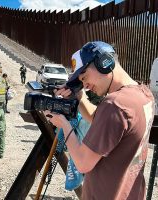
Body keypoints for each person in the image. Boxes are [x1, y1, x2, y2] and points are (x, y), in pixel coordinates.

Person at [45, 41, 155, 200]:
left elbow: (82, 163)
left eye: (84, 77)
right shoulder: (143, 94)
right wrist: (80, 98)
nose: (85, 85)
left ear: (104, 62)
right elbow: (98, 120)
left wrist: (63, 124)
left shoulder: (114, 105)